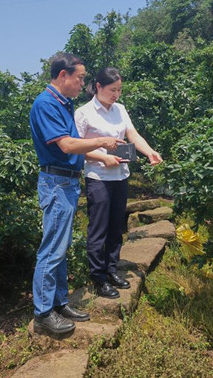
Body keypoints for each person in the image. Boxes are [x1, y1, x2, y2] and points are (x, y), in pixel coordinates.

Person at [29, 53, 124, 334]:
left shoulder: (63, 103)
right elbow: (68, 145)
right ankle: (43, 313)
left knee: (61, 246)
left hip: (67, 182)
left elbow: (74, 145)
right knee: (52, 249)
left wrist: (101, 154)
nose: (83, 84)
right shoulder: (46, 103)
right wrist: (103, 142)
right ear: (63, 75)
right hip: (56, 183)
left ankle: (59, 303)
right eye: (80, 78)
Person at [75, 67, 163, 299]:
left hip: (120, 175)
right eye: (112, 90)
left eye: (119, 90)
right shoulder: (83, 113)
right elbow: (76, 147)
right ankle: (98, 278)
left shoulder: (120, 109)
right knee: (99, 228)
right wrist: (102, 158)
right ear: (98, 87)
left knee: (116, 226)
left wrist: (149, 152)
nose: (116, 94)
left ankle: (111, 270)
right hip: (98, 178)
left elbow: (132, 135)